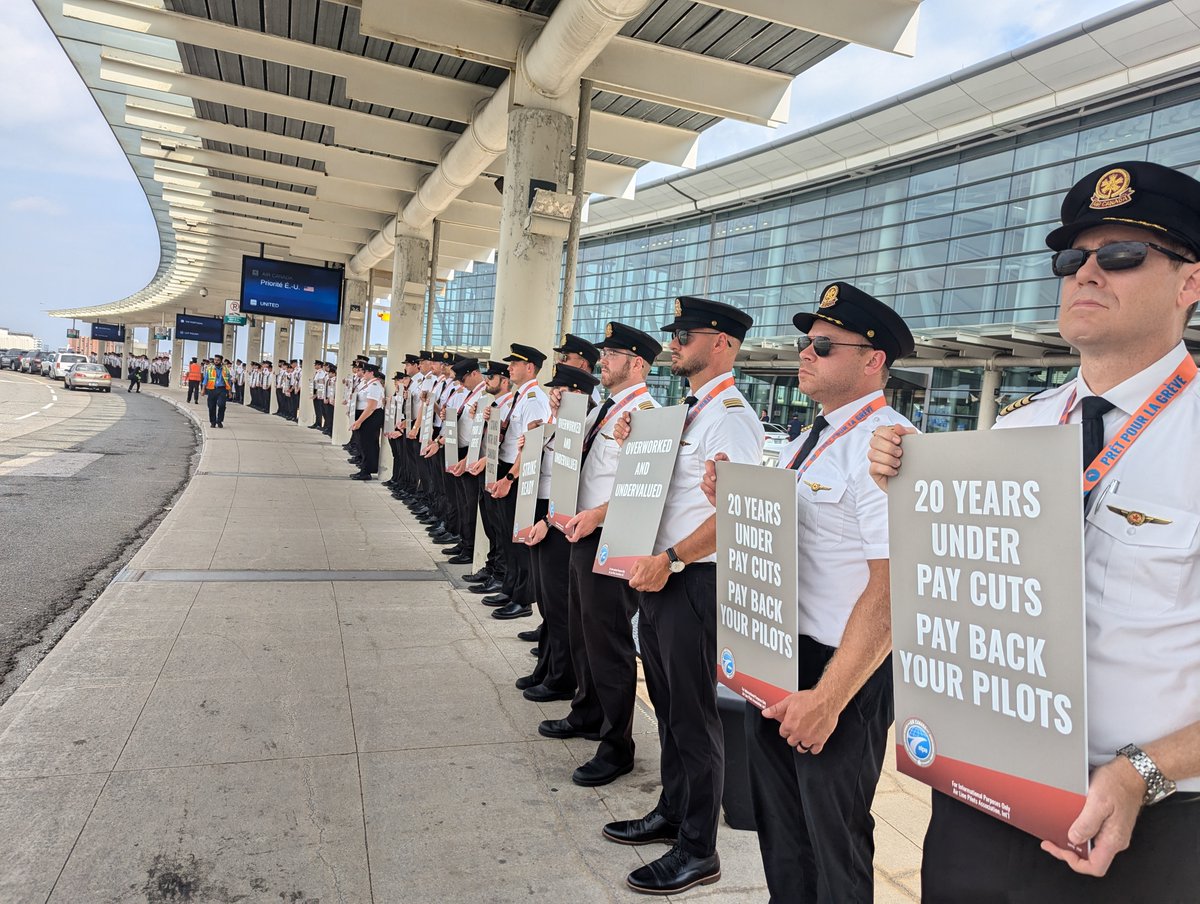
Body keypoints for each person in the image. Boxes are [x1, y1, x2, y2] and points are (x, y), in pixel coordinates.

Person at [868, 160, 1200, 902]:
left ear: (1190, 283)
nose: (1086, 273)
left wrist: (1142, 771)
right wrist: (911, 491)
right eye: (1070, 258)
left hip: (1140, 821)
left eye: (1120, 255)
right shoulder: (1017, 426)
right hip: (982, 796)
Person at [703, 282, 916, 903]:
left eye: (823, 345)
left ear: (872, 361)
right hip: (780, 650)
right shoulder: (805, 439)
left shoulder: (887, 445)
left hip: (844, 666)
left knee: (834, 833)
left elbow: (893, 584)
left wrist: (829, 697)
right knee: (781, 823)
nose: (806, 354)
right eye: (805, 342)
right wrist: (733, 501)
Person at [603, 297, 765, 895]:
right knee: (669, 708)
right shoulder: (683, 413)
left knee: (695, 719)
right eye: (674, 334)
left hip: (692, 579)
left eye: (685, 334)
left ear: (721, 344)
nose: (674, 342)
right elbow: (662, 493)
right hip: (660, 577)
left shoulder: (731, 418)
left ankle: (699, 849)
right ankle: (672, 811)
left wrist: (671, 558)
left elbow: (737, 513)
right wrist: (630, 445)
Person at [541, 322, 661, 788]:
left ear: (637, 364)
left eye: (612, 354)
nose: (603, 360)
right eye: (604, 352)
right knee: (582, 630)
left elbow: (645, 488)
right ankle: (586, 712)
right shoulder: (600, 411)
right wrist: (560, 416)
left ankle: (617, 746)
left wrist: (597, 516)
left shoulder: (647, 415)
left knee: (610, 644)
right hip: (581, 531)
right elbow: (571, 460)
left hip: (614, 536)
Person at [483, 344, 552, 619]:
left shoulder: (534, 398)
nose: (509, 367)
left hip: (520, 473)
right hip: (507, 467)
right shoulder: (518, 396)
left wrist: (511, 477)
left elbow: (531, 445)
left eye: (515, 363)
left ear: (530, 368)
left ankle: (523, 599)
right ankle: (511, 588)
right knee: (507, 535)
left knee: (519, 539)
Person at [350, 364, 385, 480]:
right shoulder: (367, 385)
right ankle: (366, 467)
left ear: (371, 373)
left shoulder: (374, 385)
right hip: (366, 416)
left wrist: (359, 421)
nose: (363, 374)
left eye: (364, 372)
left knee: (367, 443)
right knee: (364, 443)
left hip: (370, 416)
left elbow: (371, 406)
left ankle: (366, 471)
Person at [201, 354, 232, 428]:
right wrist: (203, 389)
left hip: (222, 389)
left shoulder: (226, 369)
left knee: (221, 405)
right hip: (212, 389)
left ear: (221, 361)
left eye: (218, 360)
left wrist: (230, 392)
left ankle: (219, 420)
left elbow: (228, 381)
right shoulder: (210, 368)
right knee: (211, 406)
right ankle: (213, 422)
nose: (216, 361)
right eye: (215, 360)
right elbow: (205, 379)